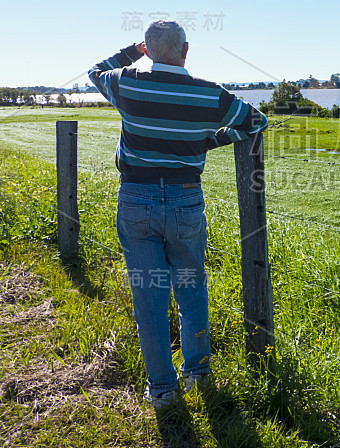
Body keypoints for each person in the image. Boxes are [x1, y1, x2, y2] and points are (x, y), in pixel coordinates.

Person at [88, 21, 268, 408]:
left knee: (148, 298)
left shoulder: (126, 82)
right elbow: (256, 121)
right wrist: (210, 139)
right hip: (187, 200)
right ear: (186, 51)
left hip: (135, 199)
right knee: (192, 288)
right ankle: (198, 373)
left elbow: (94, 71)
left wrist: (132, 52)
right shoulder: (209, 94)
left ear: (149, 51)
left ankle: (163, 390)